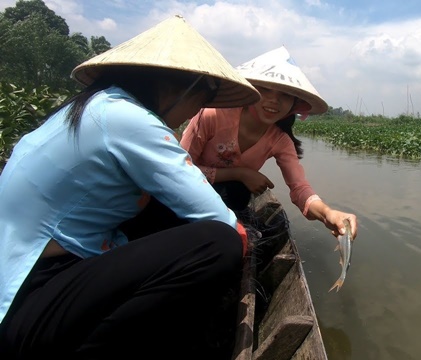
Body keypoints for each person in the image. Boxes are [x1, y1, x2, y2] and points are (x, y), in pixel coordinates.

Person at [0, 15, 261, 359]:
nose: (191, 113)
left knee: (166, 210)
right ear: (175, 88)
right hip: (25, 300)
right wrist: (246, 238)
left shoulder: (93, 106)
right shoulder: (131, 120)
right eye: (199, 98)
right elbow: (222, 223)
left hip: (27, 271)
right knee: (218, 243)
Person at [180, 46, 358, 240]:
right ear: (250, 91)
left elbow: (299, 188)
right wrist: (240, 173)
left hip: (228, 200)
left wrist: (327, 214)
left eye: (284, 94)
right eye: (264, 90)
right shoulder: (212, 115)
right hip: (186, 194)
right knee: (237, 187)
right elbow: (178, 170)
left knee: (238, 192)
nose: (274, 101)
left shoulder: (279, 140)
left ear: (294, 103)